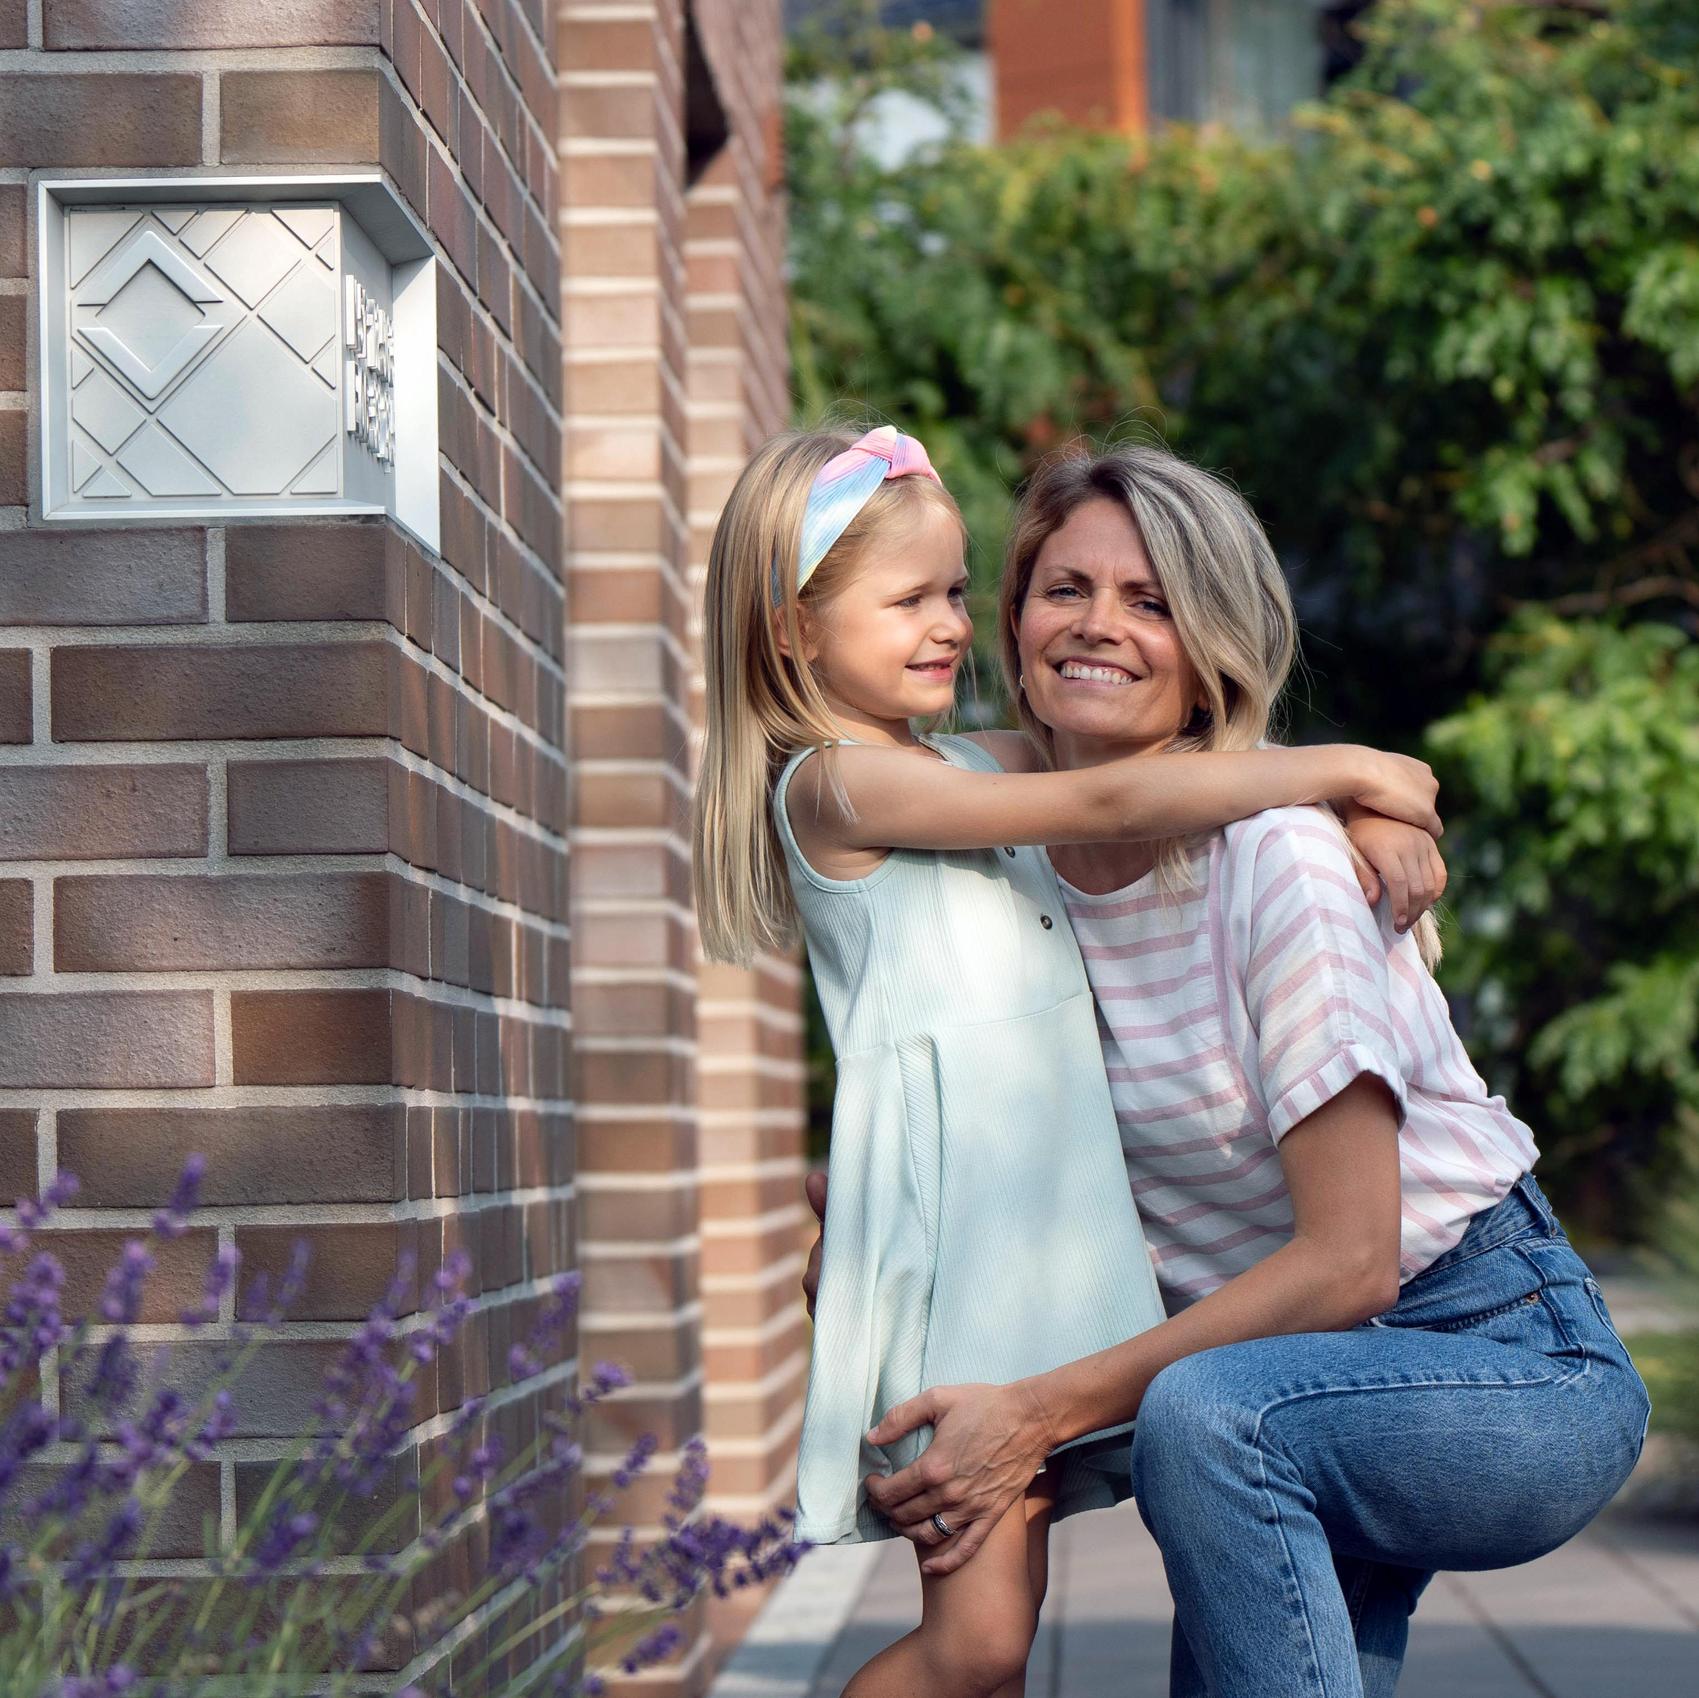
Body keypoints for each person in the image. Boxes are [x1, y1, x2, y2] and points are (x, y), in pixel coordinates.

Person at [803, 440, 1652, 1698]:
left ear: (1212, 652)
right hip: (1268, 1369)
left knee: (1206, 1421)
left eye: (1152, 603)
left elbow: (1351, 1261)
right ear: (1019, 616)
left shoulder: (1279, 866)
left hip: (1489, 1352)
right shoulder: (995, 846)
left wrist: (1034, 1410)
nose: (1098, 628)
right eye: (1065, 589)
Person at [695, 424, 1447, 1698]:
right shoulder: (836, 786)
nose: (947, 628)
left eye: (951, 592)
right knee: (976, 1645)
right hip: (962, 1260)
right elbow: (1103, 803)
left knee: (1003, 1637)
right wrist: (1356, 764)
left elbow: (1142, 761)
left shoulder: (946, 764)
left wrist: (1342, 811)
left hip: (1039, 1246)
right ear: (789, 632)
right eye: (908, 601)